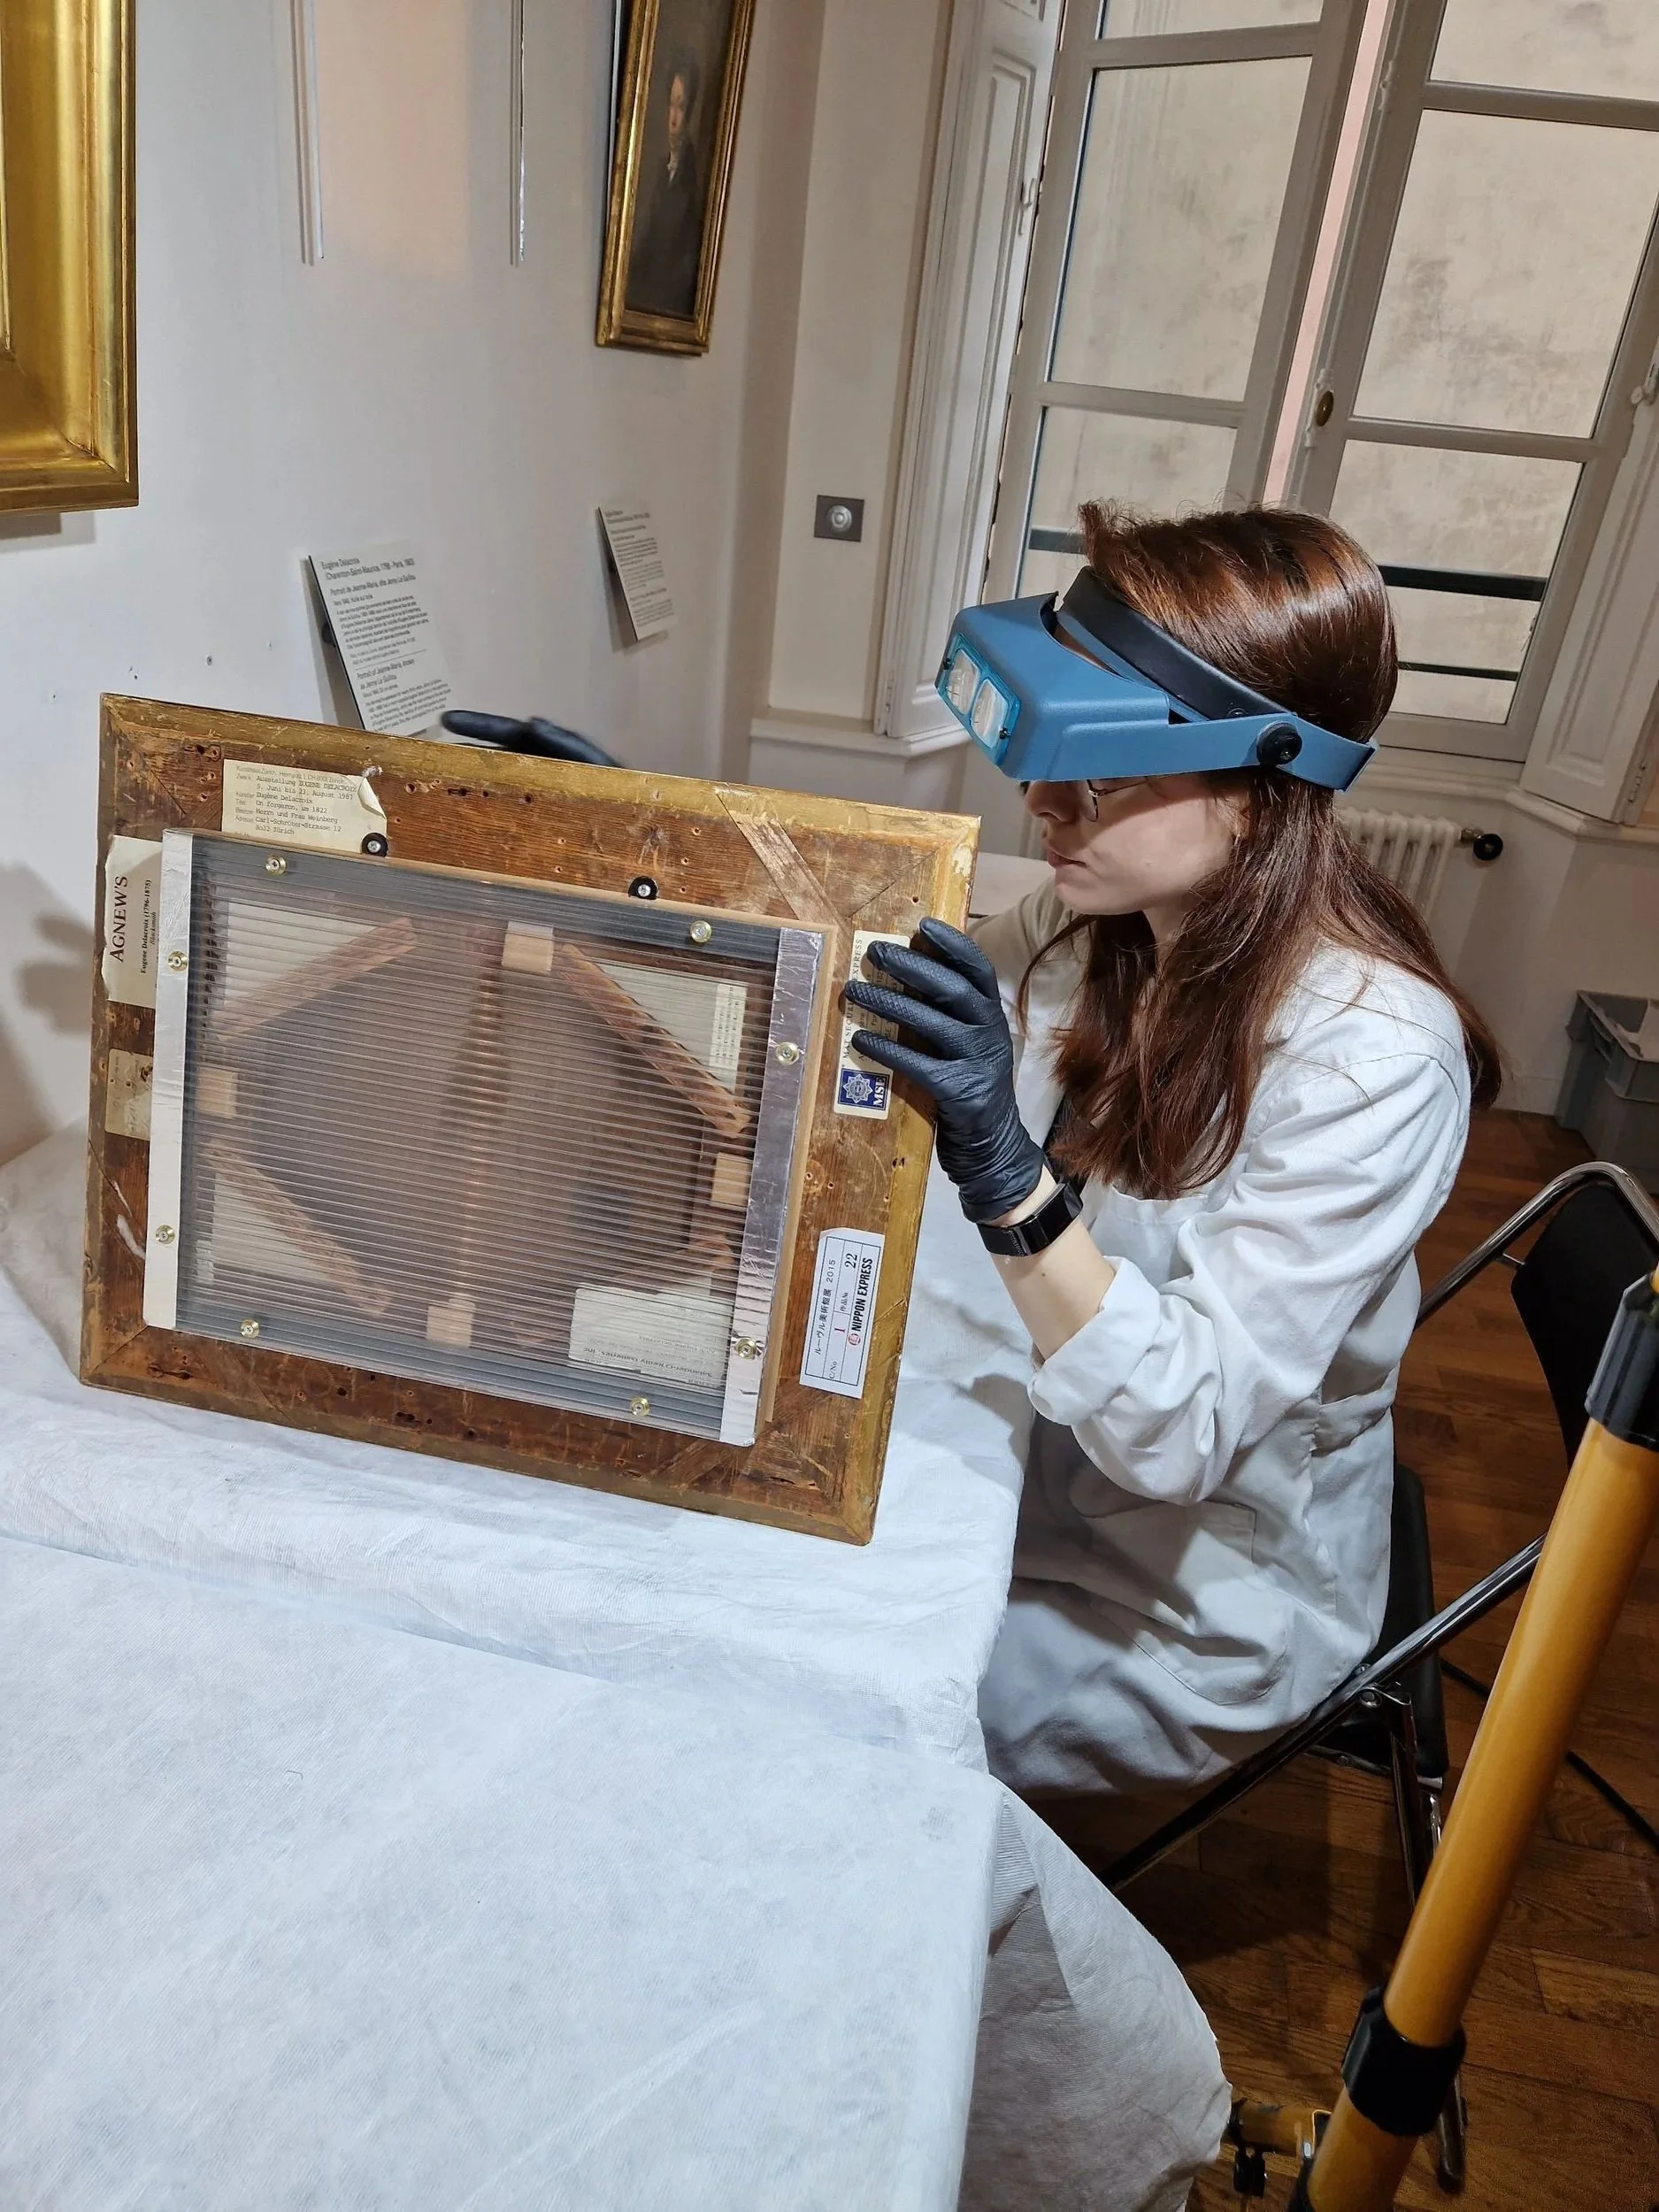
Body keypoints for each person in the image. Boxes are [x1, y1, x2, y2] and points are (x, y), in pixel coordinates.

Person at [843, 503, 1500, 1798]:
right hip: (1029, 1472)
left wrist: (1000, 1169)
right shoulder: (1116, 917)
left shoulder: (1371, 1060)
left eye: (1094, 774)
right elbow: (917, 1000)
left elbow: (1184, 1426)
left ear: (1259, 787)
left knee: (836, 1717)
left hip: (1189, 1595)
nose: (1040, 804)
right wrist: (684, 866)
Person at [626, 50, 703, 319]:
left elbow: (681, 263)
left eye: (680, 107)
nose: (673, 118)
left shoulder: (691, 181)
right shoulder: (662, 171)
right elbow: (648, 240)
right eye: (670, 105)